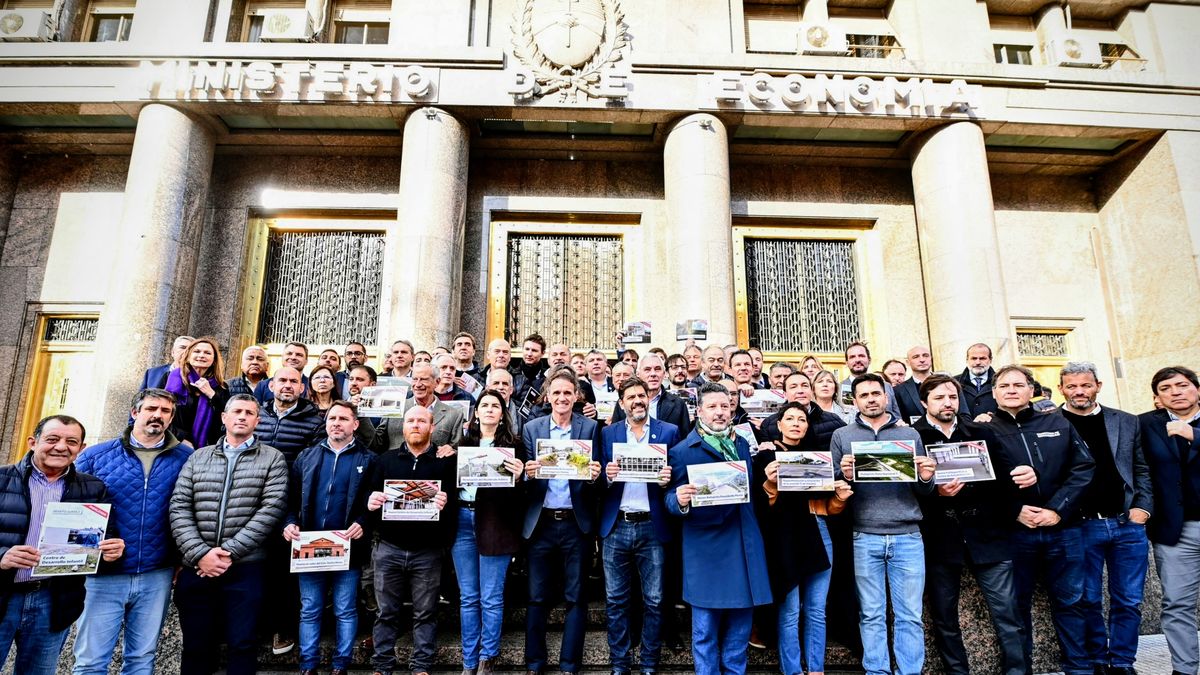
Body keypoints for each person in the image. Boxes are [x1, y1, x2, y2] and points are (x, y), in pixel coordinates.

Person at [980, 365, 1094, 675]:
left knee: (1071, 602)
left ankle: (1079, 668)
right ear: (993, 393)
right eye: (1004, 385)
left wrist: (1057, 509)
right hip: (1015, 532)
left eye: (1019, 384)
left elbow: (1083, 469)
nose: (1011, 390)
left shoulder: (1057, 422)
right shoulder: (983, 430)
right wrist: (1015, 510)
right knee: (1016, 608)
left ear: (1033, 390)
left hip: (1063, 528)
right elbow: (981, 484)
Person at [911, 374, 1027, 675]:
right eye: (939, 397)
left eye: (952, 397)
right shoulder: (913, 437)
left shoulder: (981, 432)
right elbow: (907, 491)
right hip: (940, 538)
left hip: (988, 535)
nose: (947, 403)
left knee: (1008, 613)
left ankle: (1017, 671)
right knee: (944, 617)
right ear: (925, 402)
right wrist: (934, 490)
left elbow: (1005, 480)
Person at [72, 390, 193, 675]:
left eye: (165, 411)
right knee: (90, 661)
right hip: (104, 576)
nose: (158, 415)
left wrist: (180, 558)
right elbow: (72, 508)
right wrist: (93, 549)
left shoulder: (187, 458)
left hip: (157, 572)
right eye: (152, 408)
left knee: (141, 660)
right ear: (135, 412)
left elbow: (191, 509)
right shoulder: (95, 457)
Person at [169, 394, 289, 675]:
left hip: (246, 568)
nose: (242, 417)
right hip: (197, 568)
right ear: (224, 418)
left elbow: (270, 510)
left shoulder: (272, 458)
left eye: (249, 412)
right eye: (236, 411)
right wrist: (200, 554)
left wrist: (228, 553)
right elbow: (179, 506)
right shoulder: (199, 456)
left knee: (242, 644)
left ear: (257, 421)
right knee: (196, 646)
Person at [0, 415, 125, 675]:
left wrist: (111, 553)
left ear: (81, 447)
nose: (61, 447)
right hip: (3, 594)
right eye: (52, 439)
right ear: (33, 442)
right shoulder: (2, 481)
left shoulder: (93, 488)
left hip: (53, 600)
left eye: (71, 441)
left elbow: (101, 545)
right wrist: (1, 556)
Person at [832, 373, 935, 675]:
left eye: (876, 393)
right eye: (863, 395)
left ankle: (909, 672)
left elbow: (923, 489)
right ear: (855, 400)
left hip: (907, 535)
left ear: (887, 396)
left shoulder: (910, 435)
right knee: (871, 614)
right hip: (865, 534)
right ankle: (877, 671)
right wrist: (845, 476)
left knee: (910, 615)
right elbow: (835, 488)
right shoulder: (842, 435)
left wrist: (927, 477)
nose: (871, 399)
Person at [666, 382, 771, 675]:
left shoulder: (741, 444)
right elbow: (668, 499)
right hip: (705, 547)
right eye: (712, 407)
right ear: (699, 411)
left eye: (725, 406)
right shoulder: (681, 452)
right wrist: (679, 499)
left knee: (739, 629)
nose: (720, 412)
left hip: (743, 542)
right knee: (704, 631)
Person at [1054, 361, 1151, 675]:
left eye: (1085, 385)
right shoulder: (1049, 422)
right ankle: (1098, 659)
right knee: (1087, 599)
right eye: (1072, 386)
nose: (1079, 391)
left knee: (1129, 599)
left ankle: (1122, 662)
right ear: (1061, 389)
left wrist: (1143, 508)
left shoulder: (1125, 421)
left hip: (1126, 523)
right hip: (1080, 525)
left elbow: (1141, 469)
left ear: (1098, 385)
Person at [754, 402, 848, 675]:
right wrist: (769, 483)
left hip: (818, 534)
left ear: (807, 426)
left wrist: (840, 497)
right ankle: (792, 670)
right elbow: (760, 508)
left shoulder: (819, 458)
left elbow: (827, 507)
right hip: (783, 539)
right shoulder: (766, 456)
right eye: (790, 418)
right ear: (779, 424)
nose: (797, 423)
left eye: (802, 419)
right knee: (790, 612)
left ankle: (816, 670)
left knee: (817, 611)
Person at [284, 400, 375, 675]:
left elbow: (374, 503)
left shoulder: (369, 459)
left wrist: (363, 523)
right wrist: (289, 523)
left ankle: (340, 665)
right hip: (309, 546)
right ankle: (308, 666)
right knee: (310, 609)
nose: (337, 423)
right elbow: (289, 498)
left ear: (355, 425)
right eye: (332, 418)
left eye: (344, 419)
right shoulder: (307, 456)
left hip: (348, 547)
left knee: (345, 609)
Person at [520, 369, 601, 675]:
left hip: (575, 523)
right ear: (548, 396)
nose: (562, 398)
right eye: (556, 393)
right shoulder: (532, 428)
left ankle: (569, 665)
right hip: (540, 523)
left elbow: (597, 482)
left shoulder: (591, 428)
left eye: (568, 393)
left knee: (576, 597)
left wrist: (595, 476)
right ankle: (534, 663)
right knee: (537, 597)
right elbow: (527, 485)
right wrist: (528, 473)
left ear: (577, 396)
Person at [597, 376, 679, 675]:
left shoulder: (669, 432)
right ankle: (619, 663)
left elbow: (678, 480)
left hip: (652, 526)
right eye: (630, 397)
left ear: (649, 398)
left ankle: (649, 663)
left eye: (641, 395)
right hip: (616, 525)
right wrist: (606, 475)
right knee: (616, 600)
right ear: (622, 403)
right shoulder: (608, 434)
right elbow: (596, 481)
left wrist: (670, 479)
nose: (637, 401)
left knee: (655, 601)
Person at [366, 405, 455, 675]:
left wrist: (445, 503)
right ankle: (382, 665)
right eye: (410, 421)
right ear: (403, 427)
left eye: (421, 421)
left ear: (431, 427)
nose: (415, 425)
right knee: (386, 613)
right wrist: (371, 501)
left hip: (427, 551)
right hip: (389, 548)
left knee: (425, 612)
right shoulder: (385, 460)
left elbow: (457, 506)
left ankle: (421, 666)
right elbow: (367, 498)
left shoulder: (445, 462)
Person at [454, 390, 527, 675]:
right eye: (484, 405)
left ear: (502, 414)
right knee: (468, 596)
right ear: (475, 412)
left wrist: (521, 477)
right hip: (462, 519)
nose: (489, 409)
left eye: (495, 406)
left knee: (491, 597)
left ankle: (488, 657)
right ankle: (468, 662)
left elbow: (521, 496)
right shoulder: (462, 444)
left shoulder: (514, 447)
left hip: (496, 522)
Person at [1139, 366, 1200, 675]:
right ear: (1157, 398)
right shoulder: (1144, 424)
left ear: (1197, 389)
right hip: (1177, 531)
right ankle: (1185, 670)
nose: (1176, 391)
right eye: (1166, 388)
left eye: (1182, 385)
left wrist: (1194, 435)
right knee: (1177, 605)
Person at [374, 363, 465, 454]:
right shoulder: (395, 406)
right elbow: (376, 443)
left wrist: (452, 450)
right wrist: (361, 417)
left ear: (437, 382)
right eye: (414, 379)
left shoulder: (454, 415)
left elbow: (458, 450)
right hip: (395, 466)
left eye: (424, 379)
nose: (417, 384)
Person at [166, 336, 230, 448]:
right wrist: (183, 439)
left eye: (207, 353)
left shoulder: (221, 386)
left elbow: (227, 415)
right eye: (197, 351)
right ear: (188, 355)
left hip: (208, 448)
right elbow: (162, 413)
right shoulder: (171, 377)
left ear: (214, 359)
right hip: (176, 444)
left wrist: (211, 394)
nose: (201, 355)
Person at [610, 354, 692, 438]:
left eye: (657, 369)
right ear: (638, 374)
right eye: (647, 369)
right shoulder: (624, 403)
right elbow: (615, 435)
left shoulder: (678, 404)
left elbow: (685, 439)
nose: (653, 374)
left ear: (664, 374)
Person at [838, 342, 902, 421]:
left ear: (869, 360)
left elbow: (896, 416)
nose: (857, 360)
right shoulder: (838, 389)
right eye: (852, 357)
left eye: (861, 356)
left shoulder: (886, 386)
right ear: (847, 363)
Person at [956, 343, 998, 417]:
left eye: (982, 358)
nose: (978, 362)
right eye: (974, 358)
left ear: (990, 360)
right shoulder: (954, 382)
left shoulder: (1001, 382)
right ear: (967, 360)